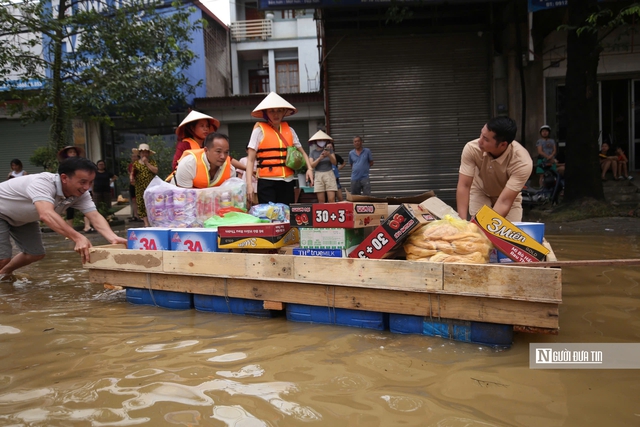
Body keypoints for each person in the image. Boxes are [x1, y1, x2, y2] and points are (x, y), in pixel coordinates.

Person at [0, 157, 127, 282]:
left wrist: (112, 237)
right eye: (82, 182)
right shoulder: (43, 183)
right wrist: (78, 237)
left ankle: (4, 273)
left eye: (90, 182)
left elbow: (94, 216)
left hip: (22, 218)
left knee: (35, 253)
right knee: (3, 258)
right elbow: (46, 214)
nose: (86, 187)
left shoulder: (81, 194)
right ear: (64, 178)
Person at [456, 116, 532, 222]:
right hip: (480, 191)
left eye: (486, 139)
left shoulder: (522, 162)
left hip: (507, 197)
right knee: (478, 231)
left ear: (503, 144)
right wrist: (461, 221)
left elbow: (504, 201)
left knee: (507, 234)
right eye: (482, 135)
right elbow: (464, 185)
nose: (480, 141)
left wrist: (488, 227)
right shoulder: (472, 148)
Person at [244, 92, 313, 207]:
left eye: (279, 110)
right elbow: (250, 160)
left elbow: (302, 152)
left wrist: (309, 169)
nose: (275, 114)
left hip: (287, 181)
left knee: (286, 215)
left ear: (284, 112)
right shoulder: (259, 131)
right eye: (272, 111)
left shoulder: (290, 130)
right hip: (266, 181)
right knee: (268, 215)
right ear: (266, 113)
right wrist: (249, 185)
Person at [172, 132, 236, 188]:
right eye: (218, 151)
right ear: (206, 150)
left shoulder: (230, 170)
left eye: (226, 152)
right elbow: (185, 197)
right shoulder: (188, 164)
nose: (223, 156)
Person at [57, 145, 89, 231]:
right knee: (69, 209)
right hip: (68, 189)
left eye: (74, 152)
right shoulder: (63, 165)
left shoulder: (81, 164)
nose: (73, 154)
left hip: (80, 188)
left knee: (87, 207)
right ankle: (70, 229)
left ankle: (87, 226)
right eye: (70, 152)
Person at [130, 143, 158, 227]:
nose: (144, 154)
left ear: (148, 153)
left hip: (151, 187)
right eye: (142, 152)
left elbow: (155, 171)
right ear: (140, 153)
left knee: (152, 204)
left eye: (146, 152)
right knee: (141, 204)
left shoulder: (152, 162)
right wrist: (131, 177)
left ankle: (153, 222)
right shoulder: (136, 164)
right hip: (140, 187)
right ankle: (146, 223)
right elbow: (132, 173)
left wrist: (147, 163)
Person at [308, 130, 338, 203]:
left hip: (329, 173)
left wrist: (328, 155)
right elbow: (311, 165)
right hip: (318, 174)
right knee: (321, 200)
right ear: (316, 141)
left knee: (331, 199)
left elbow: (335, 162)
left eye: (323, 140)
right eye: (319, 140)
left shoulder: (330, 151)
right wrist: (319, 158)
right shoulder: (313, 152)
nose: (321, 141)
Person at [127, 152, 141, 221]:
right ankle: (135, 215)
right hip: (133, 184)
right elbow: (130, 173)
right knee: (134, 200)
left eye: (135, 157)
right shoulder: (130, 165)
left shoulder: (141, 165)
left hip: (140, 184)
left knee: (140, 200)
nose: (134, 158)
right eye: (133, 157)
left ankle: (141, 215)